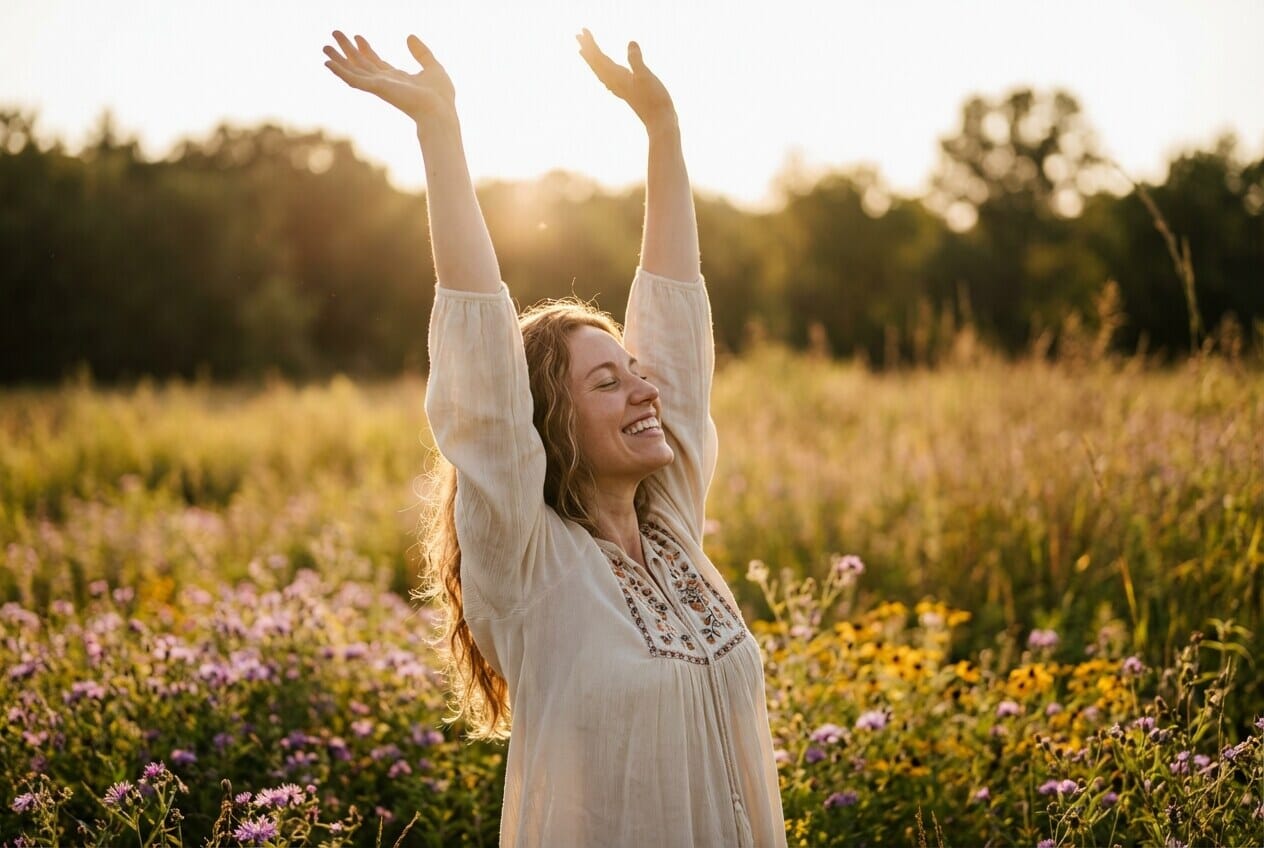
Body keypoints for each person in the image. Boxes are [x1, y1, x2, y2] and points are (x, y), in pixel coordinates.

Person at [324, 27, 787, 847]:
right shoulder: (530, 561)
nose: (646, 390)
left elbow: (677, 317)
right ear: (547, 429)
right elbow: (482, 386)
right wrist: (440, 129)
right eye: (607, 382)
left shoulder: (671, 525)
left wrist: (663, 129)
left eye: (635, 371)